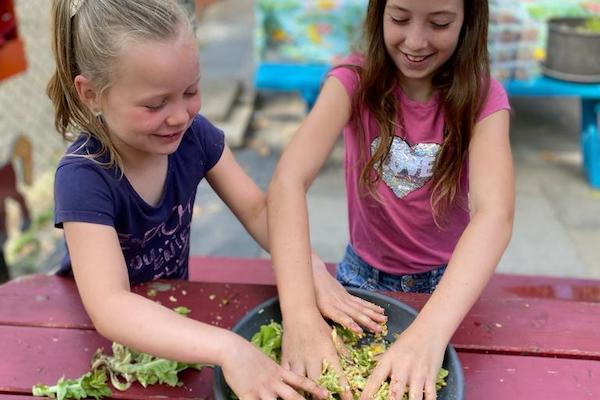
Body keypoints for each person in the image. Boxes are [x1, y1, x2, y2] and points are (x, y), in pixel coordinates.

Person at [47, 1, 384, 398]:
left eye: (191, 91)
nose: (179, 116)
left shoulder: (195, 136)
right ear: (91, 94)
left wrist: (309, 268)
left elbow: (259, 210)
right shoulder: (83, 177)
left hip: (176, 324)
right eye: (155, 104)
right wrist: (229, 349)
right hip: (92, 348)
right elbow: (110, 305)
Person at [267, 0, 514, 399]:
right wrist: (298, 315)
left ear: (469, 19)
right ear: (378, 12)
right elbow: (287, 181)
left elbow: (495, 213)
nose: (415, 41)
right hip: (358, 280)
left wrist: (430, 333)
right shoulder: (352, 80)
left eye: (439, 23)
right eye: (399, 19)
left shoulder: (484, 98)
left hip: (446, 289)